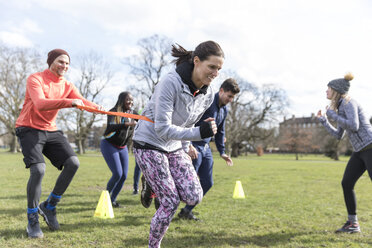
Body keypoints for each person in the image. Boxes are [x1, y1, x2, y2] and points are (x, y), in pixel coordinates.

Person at [132, 40, 224, 248]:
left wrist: (186, 144)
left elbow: (187, 121)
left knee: (194, 196)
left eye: (219, 69)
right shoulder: (170, 83)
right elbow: (162, 128)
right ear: (197, 61)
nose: (215, 73)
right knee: (170, 202)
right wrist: (198, 134)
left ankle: (152, 184)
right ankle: (153, 245)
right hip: (149, 143)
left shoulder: (208, 94)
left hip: (174, 146)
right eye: (212, 67)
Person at [15, 49, 104, 238]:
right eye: (60, 61)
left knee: (73, 163)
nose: (64, 66)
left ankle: (49, 206)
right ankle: (32, 220)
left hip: (51, 130)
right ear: (50, 62)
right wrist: (69, 102)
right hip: (29, 128)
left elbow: (82, 101)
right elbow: (40, 103)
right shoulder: (35, 79)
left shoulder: (68, 85)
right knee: (38, 170)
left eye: (67, 63)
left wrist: (97, 109)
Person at [178, 78, 240, 220]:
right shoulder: (206, 101)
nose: (230, 100)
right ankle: (165, 207)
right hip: (194, 145)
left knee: (207, 182)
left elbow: (220, 131)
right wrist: (188, 144)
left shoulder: (224, 110)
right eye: (229, 96)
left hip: (205, 148)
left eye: (233, 97)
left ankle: (186, 211)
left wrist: (222, 152)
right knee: (186, 182)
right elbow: (190, 120)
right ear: (222, 90)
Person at [317, 73, 372, 233]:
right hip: (359, 151)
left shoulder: (348, 103)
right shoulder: (340, 107)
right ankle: (353, 224)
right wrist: (325, 121)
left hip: (370, 147)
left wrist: (333, 115)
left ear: (336, 90)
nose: (326, 91)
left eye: (328, 88)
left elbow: (354, 125)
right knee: (347, 183)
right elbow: (338, 135)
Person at [101, 92, 137, 208]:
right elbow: (110, 126)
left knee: (124, 176)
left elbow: (145, 120)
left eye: (131, 100)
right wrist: (126, 124)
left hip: (123, 147)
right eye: (128, 100)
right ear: (121, 100)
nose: (130, 102)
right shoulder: (114, 111)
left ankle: (112, 201)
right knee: (117, 173)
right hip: (109, 144)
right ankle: (104, 200)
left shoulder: (133, 113)